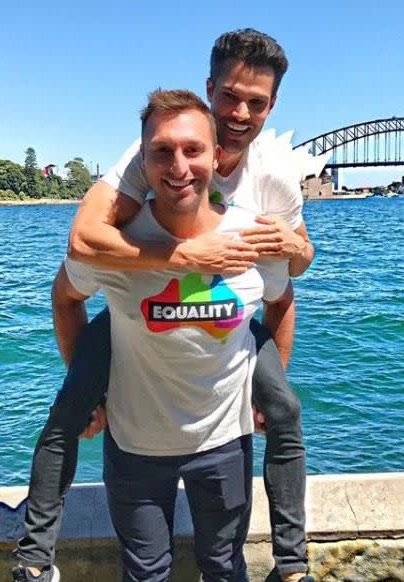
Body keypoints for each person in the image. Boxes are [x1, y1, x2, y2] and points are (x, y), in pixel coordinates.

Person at [14, 29, 315, 582]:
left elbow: (292, 269)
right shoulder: (150, 151)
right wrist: (181, 255)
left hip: (228, 324)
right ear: (209, 88)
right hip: (140, 297)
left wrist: (299, 249)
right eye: (229, 95)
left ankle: (292, 566)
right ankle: (34, 560)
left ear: (273, 105)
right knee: (71, 408)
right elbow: (82, 241)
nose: (241, 112)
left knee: (285, 410)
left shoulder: (274, 176)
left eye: (257, 101)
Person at [68, 89, 288, 581]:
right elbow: (65, 298)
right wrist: (87, 392)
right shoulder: (117, 244)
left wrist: (268, 389)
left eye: (193, 150)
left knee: (226, 569)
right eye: (162, 151)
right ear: (141, 162)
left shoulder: (252, 236)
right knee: (145, 574)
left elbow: (281, 298)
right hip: (134, 446)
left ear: (217, 156)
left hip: (226, 442)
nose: (179, 166)